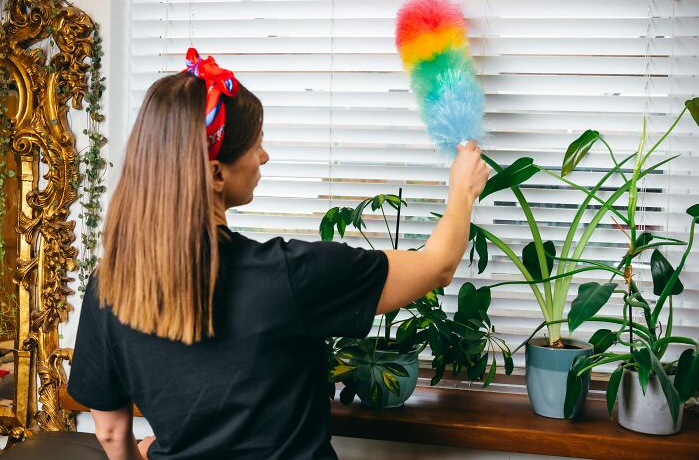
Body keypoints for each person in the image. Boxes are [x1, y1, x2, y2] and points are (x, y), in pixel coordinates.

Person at [67, 49, 490, 460]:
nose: (263, 157)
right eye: (256, 145)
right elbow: (438, 265)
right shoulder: (288, 276)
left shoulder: (109, 286)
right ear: (216, 174)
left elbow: (110, 431)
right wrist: (463, 192)